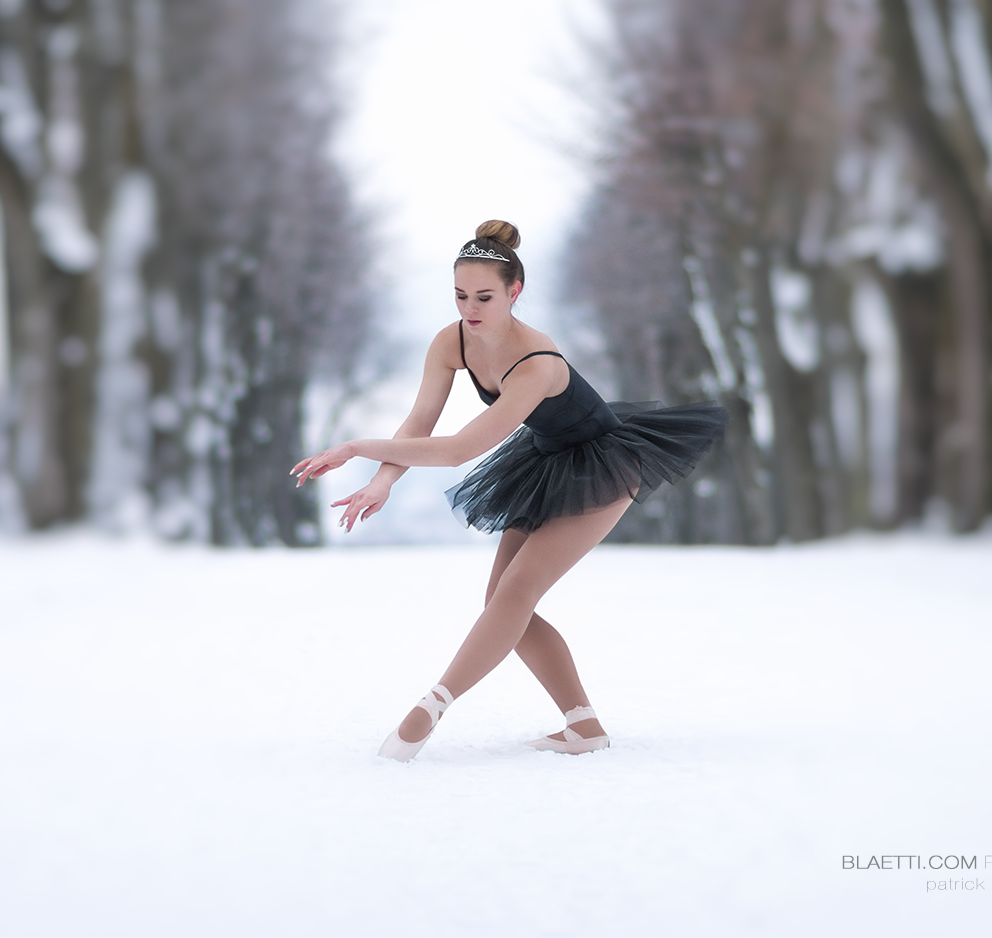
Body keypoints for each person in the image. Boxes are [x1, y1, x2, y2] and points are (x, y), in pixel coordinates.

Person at [291, 220, 726, 761]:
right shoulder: (451, 340)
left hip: (604, 465)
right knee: (504, 603)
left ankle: (431, 706)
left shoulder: (537, 363)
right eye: (459, 295)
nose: (469, 309)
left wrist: (356, 447)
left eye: (484, 297)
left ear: (515, 292)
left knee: (516, 594)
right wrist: (381, 480)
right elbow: (422, 419)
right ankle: (583, 726)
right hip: (542, 461)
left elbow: (460, 448)